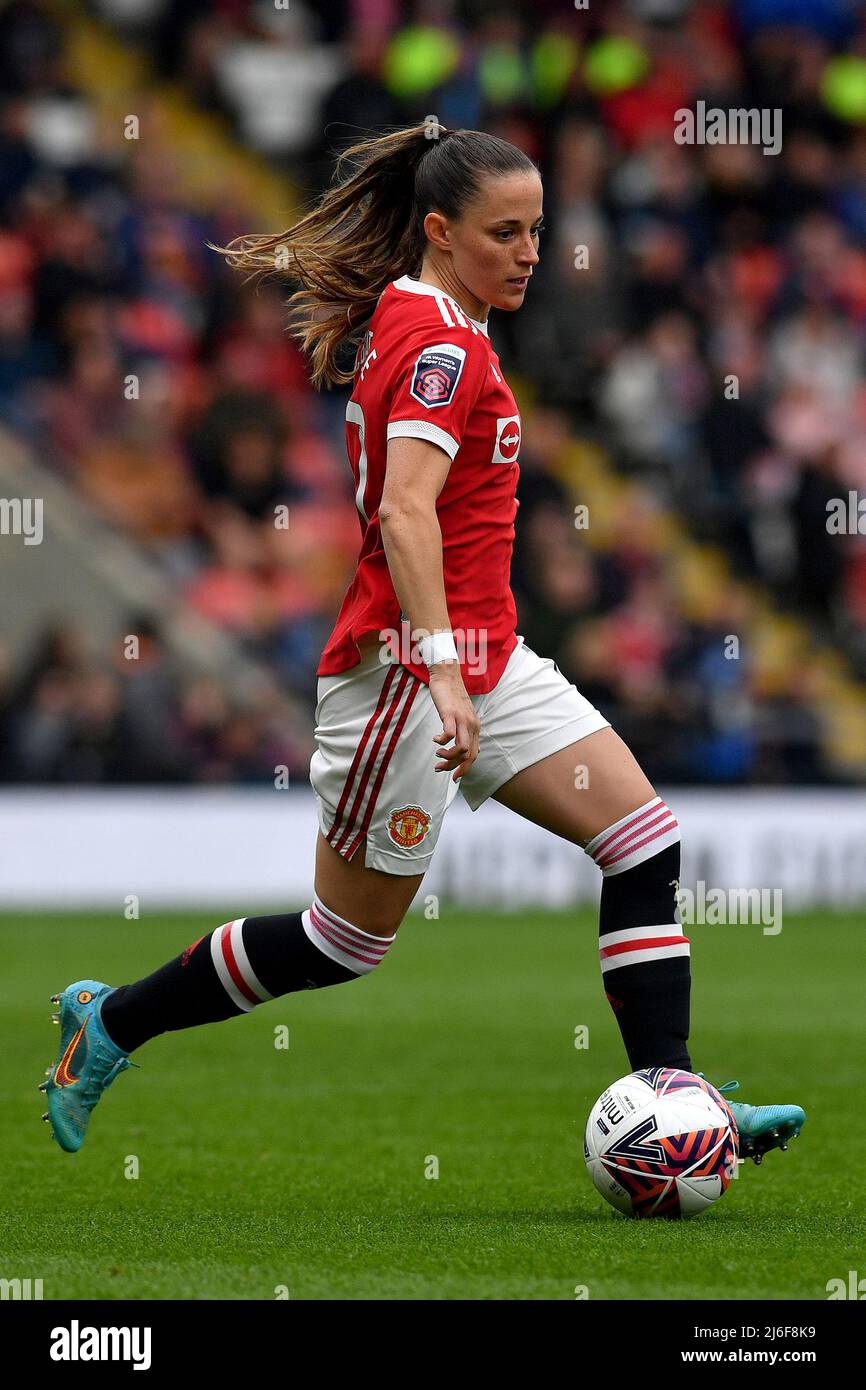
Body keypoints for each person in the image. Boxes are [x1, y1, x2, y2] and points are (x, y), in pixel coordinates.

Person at [40, 123, 804, 1165]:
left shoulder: (432, 316)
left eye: (537, 228)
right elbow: (404, 514)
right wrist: (441, 673)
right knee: (342, 941)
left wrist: (466, 666)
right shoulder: (443, 345)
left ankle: (671, 1099)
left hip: (485, 655)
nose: (530, 250)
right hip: (408, 674)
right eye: (505, 231)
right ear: (440, 232)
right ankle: (113, 1021)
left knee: (640, 840)